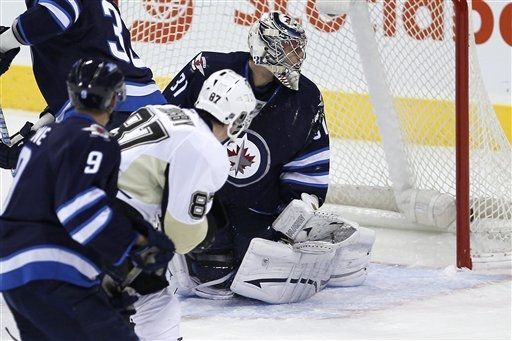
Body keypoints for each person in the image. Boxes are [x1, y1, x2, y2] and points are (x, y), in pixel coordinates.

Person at [163, 11, 375, 303]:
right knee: (213, 273)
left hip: (257, 209)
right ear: (263, 45)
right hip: (203, 196)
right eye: (288, 47)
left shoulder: (305, 97)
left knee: (258, 266)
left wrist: (302, 202)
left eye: (298, 48)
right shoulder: (208, 69)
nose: (296, 55)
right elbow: (167, 121)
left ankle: (334, 255)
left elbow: (309, 158)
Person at [0, 58, 174, 340]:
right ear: (116, 98)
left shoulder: (42, 136)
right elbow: (79, 211)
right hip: (55, 272)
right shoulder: (97, 140)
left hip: (11, 273)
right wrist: (138, 243)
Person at [114, 69, 256, 340]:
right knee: (155, 300)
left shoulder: (161, 111)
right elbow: (180, 239)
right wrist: (206, 231)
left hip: (69, 203)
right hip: (109, 220)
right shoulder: (207, 148)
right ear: (235, 119)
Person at [0, 0, 166, 129]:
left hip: (111, 112)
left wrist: (2, 45)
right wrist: (40, 129)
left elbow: (54, 17)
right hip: (149, 111)